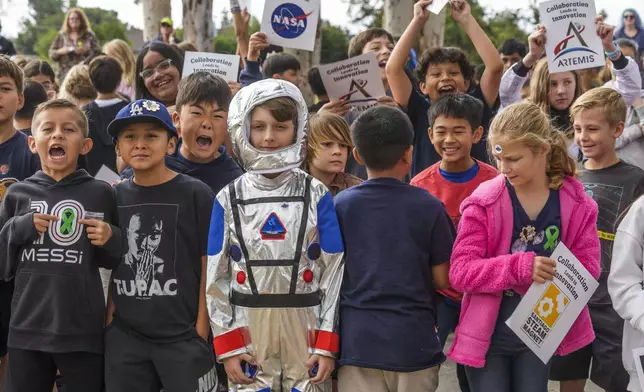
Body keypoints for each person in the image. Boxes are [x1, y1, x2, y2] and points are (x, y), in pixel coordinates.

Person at [448, 102, 601, 392]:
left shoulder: (577, 203)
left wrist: (559, 275)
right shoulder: (484, 202)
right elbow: (461, 272)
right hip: (487, 338)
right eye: (498, 157)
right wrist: (520, 267)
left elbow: (589, 267)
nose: (504, 168)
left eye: (514, 159)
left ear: (543, 149)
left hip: (539, 334)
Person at [206, 79, 344, 391]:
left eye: (280, 126)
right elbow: (216, 278)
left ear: (298, 129)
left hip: (306, 323)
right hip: (248, 327)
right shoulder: (227, 198)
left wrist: (326, 345)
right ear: (244, 129)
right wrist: (228, 347)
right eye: (259, 126)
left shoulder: (316, 193)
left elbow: (333, 272)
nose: (269, 137)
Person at [0, 99, 122, 392]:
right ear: (33, 143)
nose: (57, 135)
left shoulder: (101, 193)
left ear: (86, 145)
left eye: (68, 130)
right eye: (48, 129)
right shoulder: (17, 193)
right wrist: (19, 228)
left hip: (81, 331)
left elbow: (113, 259)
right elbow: (2, 263)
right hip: (27, 328)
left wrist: (111, 236)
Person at [334, 106, 452, 392]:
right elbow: (443, 279)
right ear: (409, 154)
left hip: (357, 343)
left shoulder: (339, 206)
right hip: (414, 342)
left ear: (358, 156)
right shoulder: (431, 207)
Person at [104, 99, 217, 391]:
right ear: (118, 147)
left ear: (170, 144)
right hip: (127, 338)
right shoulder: (113, 196)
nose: (140, 144)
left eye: (151, 135)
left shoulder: (196, 193)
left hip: (183, 337)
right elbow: (116, 261)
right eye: (130, 136)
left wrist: (201, 330)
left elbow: (209, 262)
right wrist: (109, 324)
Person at [550, 88, 641, 392]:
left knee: (618, 379)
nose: (583, 137)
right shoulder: (566, 178)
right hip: (569, 298)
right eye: (577, 129)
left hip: (614, 306)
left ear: (617, 129)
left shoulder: (637, 180)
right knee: (568, 377)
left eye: (592, 128)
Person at [410, 94, 498, 392]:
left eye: (458, 131)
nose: (449, 139)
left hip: (483, 292)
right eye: (441, 131)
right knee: (423, 363)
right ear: (429, 134)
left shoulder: (496, 183)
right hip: (440, 295)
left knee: (475, 370)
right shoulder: (419, 187)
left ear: (477, 134)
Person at [386, 0, 504, 176]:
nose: (445, 77)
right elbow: (392, 69)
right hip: (429, 199)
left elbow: (495, 67)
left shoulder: (478, 105)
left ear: (466, 82)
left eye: (453, 73)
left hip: (478, 199)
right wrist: (418, 20)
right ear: (423, 87)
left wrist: (466, 19)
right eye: (436, 74)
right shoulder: (418, 111)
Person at [500, 19, 642, 160]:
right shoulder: (528, 116)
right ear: (540, 85)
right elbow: (507, 94)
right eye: (553, 84)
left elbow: (629, 88)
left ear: (577, 82)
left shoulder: (591, 109)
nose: (561, 90)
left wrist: (610, 47)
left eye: (567, 82)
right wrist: (532, 56)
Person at [0, 55, 40, 391]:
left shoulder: (31, 151)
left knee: (13, 357)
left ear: (20, 98)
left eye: (4, 88)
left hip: (17, 276)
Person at [170, 72, 243, 194]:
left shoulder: (234, 182)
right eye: (197, 113)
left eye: (217, 116)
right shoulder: (159, 162)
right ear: (177, 120)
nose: (207, 123)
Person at [83, 56, 128, 176]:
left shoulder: (83, 115)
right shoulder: (130, 110)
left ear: (91, 81)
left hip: (96, 180)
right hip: (129, 179)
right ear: (119, 81)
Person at [304, 112, 362, 196]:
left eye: (343, 145)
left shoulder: (357, 189)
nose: (337, 151)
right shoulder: (290, 187)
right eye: (327, 144)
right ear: (307, 146)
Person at [48, 8, 100, 83]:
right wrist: (60, 51)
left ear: (81, 20)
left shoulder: (89, 35)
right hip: (65, 75)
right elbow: (51, 53)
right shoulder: (62, 35)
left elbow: (98, 53)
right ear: (68, 21)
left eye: (77, 18)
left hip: (84, 74)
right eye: (71, 19)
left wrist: (87, 50)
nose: (74, 20)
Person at [135, 42, 183, 110]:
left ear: (179, 66)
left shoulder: (203, 103)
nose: (157, 75)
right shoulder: (138, 118)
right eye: (148, 72)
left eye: (164, 65)